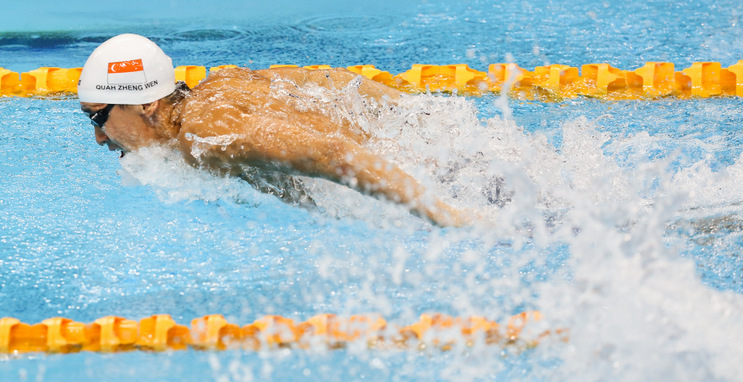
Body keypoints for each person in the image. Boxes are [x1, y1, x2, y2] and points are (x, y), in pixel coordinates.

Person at [77, 34, 473, 227]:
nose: (98, 137)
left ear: (147, 104)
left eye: (99, 117)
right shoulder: (222, 85)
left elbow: (333, 154)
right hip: (451, 150)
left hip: (450, 181)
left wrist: (449, 217)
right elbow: (337, 85)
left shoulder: (205, 133)